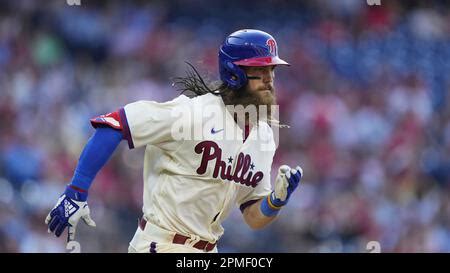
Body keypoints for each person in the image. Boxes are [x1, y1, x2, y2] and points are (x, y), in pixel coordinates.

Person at [45, 29, 303, 253]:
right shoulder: (192, 113)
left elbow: (252, 216)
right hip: (161, 243)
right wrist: (77, 191)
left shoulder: (264, 135)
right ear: (235, 73)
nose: (270, 79)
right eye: (260, 70)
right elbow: (114, 124)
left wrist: (275, 201)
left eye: (272, 69)